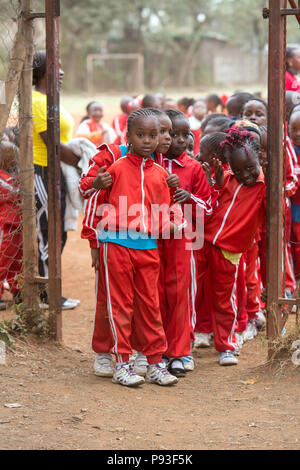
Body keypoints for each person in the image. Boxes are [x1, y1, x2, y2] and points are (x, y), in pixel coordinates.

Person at [81, 109, 180, 387]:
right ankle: (122, 363)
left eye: (153, 135)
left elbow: (165, 214)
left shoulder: (161, 173)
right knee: (119, 304)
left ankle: (155, 362)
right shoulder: (114, 166)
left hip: (147, 246)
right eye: (141, 135)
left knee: (150, 304)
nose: (148, 141)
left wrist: (176, 223)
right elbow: (88, 190)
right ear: (128, 137)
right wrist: (97, 184)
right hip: (115, 244)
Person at [196, 128, 266, 366]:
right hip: (203, 242)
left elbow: (271, 217)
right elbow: (210, 204)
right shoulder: (225, 178)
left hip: (230, 249)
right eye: (238, 170)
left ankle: (226, 345)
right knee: (192, 292)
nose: (245, 175)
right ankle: (184, 343)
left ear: (260, 159)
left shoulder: (263, 187)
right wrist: (214, 184)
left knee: (224, 298)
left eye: (250, 168)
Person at [158, 109, 212, 376]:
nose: (178, 139)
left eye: (184, 134)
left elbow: (208, 206)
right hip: (151, 238)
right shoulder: (149, 164)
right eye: (170, 133)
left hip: (184, 238)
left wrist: (188, 196)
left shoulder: (193, 168)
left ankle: (180, 351)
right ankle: (154, 350)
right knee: (154, 292)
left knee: (180, 292)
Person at [32, 50, 79, 309]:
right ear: (39, 70)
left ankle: (43, 289)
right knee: (48, 233)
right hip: (42, 171)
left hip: (56, 172)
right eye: (54, 66)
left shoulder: (51, 99)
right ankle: (45, 294)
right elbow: (53, 145)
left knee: (57, 233)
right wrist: (83, 161)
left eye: (61, 66)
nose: (60, 72)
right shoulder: (37, 102)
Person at [0, 141, 22, 310]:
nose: (16, 159)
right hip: (7, 224)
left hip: (20, 224)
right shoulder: (3, 176)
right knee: (3, 260)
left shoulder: (16, 175)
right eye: (12, 156)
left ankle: (18, 291)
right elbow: (14, 193)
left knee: (18, 262)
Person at [289, 110, 300, 278]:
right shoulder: (287, 147)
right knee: (294, 240)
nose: (297, 133)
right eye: (294, 129)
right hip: (292, 203)